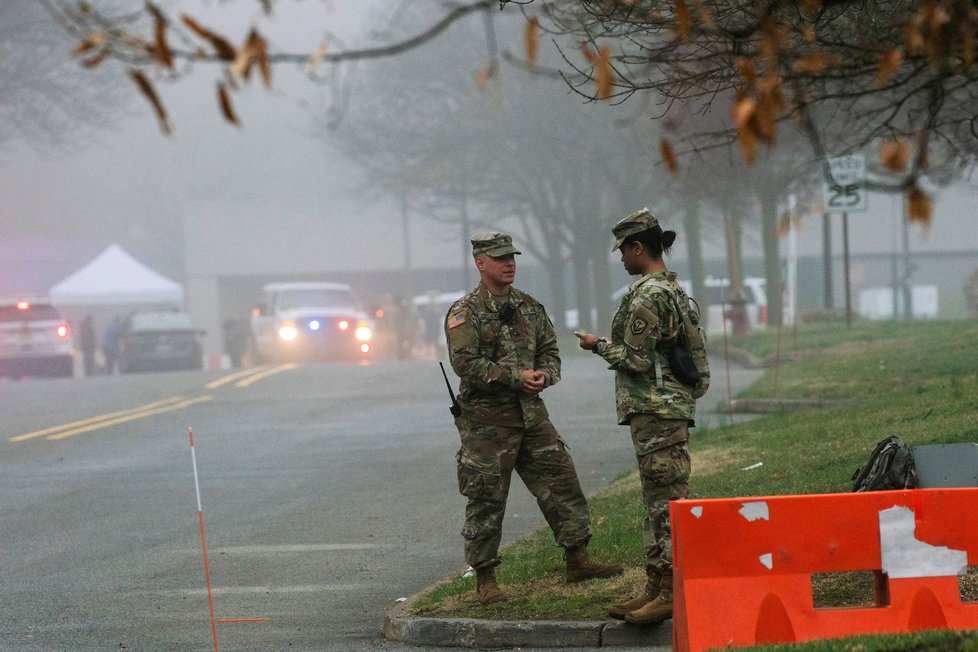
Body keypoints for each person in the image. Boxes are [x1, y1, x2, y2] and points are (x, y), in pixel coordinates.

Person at [445, 231, 623, 606]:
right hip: (487, 424)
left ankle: (578, 558)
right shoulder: (466, 311)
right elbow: (465, 363)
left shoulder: (530, 306)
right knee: (486, 498)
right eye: (499, 257)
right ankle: (486, 578)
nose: (509, 263)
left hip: (531, 417)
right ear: (480, 263)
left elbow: (550, 351)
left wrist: (545, 375)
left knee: (562, 482)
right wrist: (513, 377)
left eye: (511, 256)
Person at [574, 208, 699, 626]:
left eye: (623, 251)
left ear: (638, 247)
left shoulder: (649, 295)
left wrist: (596, 345)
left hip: (657, 410)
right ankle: (655, 584)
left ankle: (669, 592)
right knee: (655, 501)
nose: (621, 260)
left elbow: (636, 359)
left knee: (667, 505)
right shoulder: (671, 289)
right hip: (660, 410)